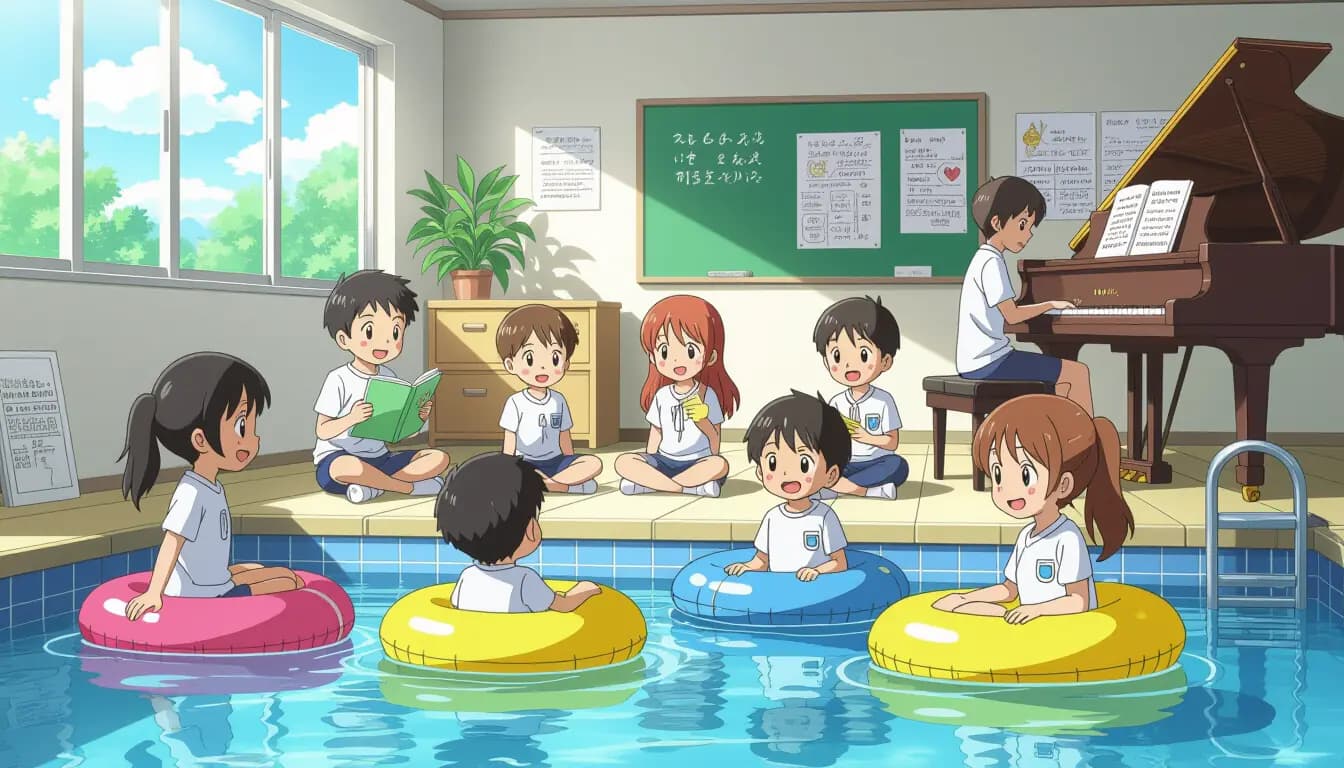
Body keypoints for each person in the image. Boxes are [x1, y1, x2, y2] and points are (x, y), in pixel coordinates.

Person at [119, 352, 302, 621]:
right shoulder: (192, 493)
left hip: (212, 582)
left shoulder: (209, 485)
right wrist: (154, 592)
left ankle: (229, 578)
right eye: (242, 426)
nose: (254, 439)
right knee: (290, 580)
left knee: (254, 567)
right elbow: (173, 541)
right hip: (204, 595)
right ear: (201, 440)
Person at [932, 394, 1135, 623]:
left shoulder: (1067, 538)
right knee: (966, 609)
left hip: (1063, 625)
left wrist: (1037, 610)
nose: (1008, 490)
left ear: (1063, 484)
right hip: (1032, 621)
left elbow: (1079, 601)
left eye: (1026, 475)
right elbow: (1009, 590)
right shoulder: (1026, 536)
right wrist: (964, 597)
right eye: (998, 474)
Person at [957, 176, 1094, 415]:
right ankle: (1087, 447)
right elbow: (1012, 315)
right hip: (989, 363)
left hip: (979, 360)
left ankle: (1062, 442)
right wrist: (1050, 304)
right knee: (1077, 373)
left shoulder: (984, 257)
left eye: (1030, 227)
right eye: (1022, 224)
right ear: (997, 222)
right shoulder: (991, 262)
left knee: (1063, 375)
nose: (1028, 233)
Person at [313, 270, 452, 503]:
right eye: (370, 330)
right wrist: (351, 418)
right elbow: (323, 430)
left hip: (381, 458)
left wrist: (416, 418)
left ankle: (373, 487)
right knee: (345, 467)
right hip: (339, 459)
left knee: (439, 458)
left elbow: (395, 435)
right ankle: (405, 487)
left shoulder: (388, 376)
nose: (385, 341)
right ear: (343, 339)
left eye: (395, 331)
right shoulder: (338, 378)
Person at [436, 452, 600, 613]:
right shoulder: (525, 580)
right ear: (530, 530)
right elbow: (564, 605)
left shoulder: (467, 576)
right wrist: (584, 590)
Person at [616, 295, 740, 497]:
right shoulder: (662, 396)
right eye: (664, 350)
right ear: (653, 357)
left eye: (690, 350)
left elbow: (715, 441)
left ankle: (652, 484)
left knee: (719, 465)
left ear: (711, 356)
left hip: (698, 462)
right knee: (624, 462)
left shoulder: (707, 394)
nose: (676, 359)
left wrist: (703, 421)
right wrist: (650, 461)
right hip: (663, 461)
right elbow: (656, 433)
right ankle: (689, 487)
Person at [725, 391, 851, 582]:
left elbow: (839, 562)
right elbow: (762, 560)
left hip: (814, 591)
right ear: (760, 471)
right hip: (779, 593)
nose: (787, 474)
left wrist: (817, 571)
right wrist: (746, 567)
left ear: (831, 475)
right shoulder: (772, 518)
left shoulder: (824, 517)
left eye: (804, 464)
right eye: (773, 462)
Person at [496, 304, 601, 494]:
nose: (543, 368)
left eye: (554, 358)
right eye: (530, 359)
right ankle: (560, 485)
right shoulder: (515, 402)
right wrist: (506, 467)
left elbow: (564, 436)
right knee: (511, 474)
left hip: (556, 462)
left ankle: (548, 483)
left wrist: (571, 462)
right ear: (511, 364)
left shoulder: (558, 400)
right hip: (525, 462)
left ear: (566, 363)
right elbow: (509, 439)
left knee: (592, 463)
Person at [812, 296, 908, 500]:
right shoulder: (837, 402)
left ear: (885, 361)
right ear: (827, 362)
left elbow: (892, 443)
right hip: (845, 464)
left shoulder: (884, 401)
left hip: (876, 461)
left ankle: (835, 488)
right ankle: (869, 491)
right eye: (837, 356)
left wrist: (868, 437)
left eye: (863, 354)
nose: (849, 365)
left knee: (898, 465)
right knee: (816, 467)